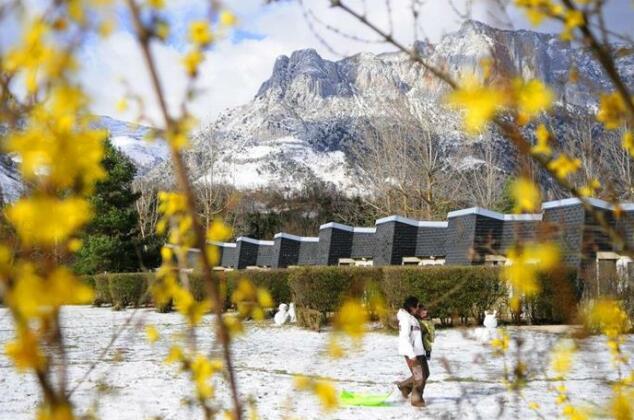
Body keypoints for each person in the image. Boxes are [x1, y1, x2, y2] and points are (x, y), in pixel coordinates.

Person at [395, 296, 429, 407]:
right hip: (412, 353)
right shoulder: (405, 319)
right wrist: (411, 354)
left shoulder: (411, 317)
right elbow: (404, 338)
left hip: (420, 352)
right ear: (411, 307)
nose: (419, 308)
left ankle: (404, 387)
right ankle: (416, 400)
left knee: (425, 373)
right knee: (420, 376)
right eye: (417, 306)